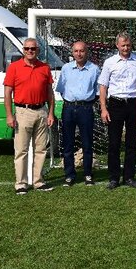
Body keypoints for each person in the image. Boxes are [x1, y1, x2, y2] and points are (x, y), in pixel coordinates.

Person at [3, 38, 55, 195]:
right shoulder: (14, 67)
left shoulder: (44, 67)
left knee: (41, 149)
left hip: (41, 111)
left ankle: (38, 181)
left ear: (37, 50)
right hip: (22, 112)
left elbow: (49, 92)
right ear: (23, 50)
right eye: (27, 48)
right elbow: (7, 93)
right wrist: (9, 115)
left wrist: (50, 113)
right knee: (21, 150)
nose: (30, 51)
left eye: (33, 48)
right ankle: (21, 183)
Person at [99, 32, 136, 190]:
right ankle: (114, 178)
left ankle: (129, 177)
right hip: (115, 104)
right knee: (114, 143)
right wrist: (104, 108)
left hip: (133, 104)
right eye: (123, 45)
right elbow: (103, 86)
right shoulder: (109, 62)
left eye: (128, 45)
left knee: (131, 143)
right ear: (117, 45)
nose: (126, 48)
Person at [55, 41, 100, 187]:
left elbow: (98, 92)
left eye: (82, 51)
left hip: (85, 109)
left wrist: (85, 102)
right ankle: (69, 175)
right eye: (76, 51)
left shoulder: (94, 69)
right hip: (68, 109)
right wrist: (71, 101)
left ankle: (88, 174)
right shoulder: (66, 68)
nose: (79, 54)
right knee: (68, 143)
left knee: (87, 143)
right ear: (72, 53)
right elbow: (61, 89)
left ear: (87, 52)